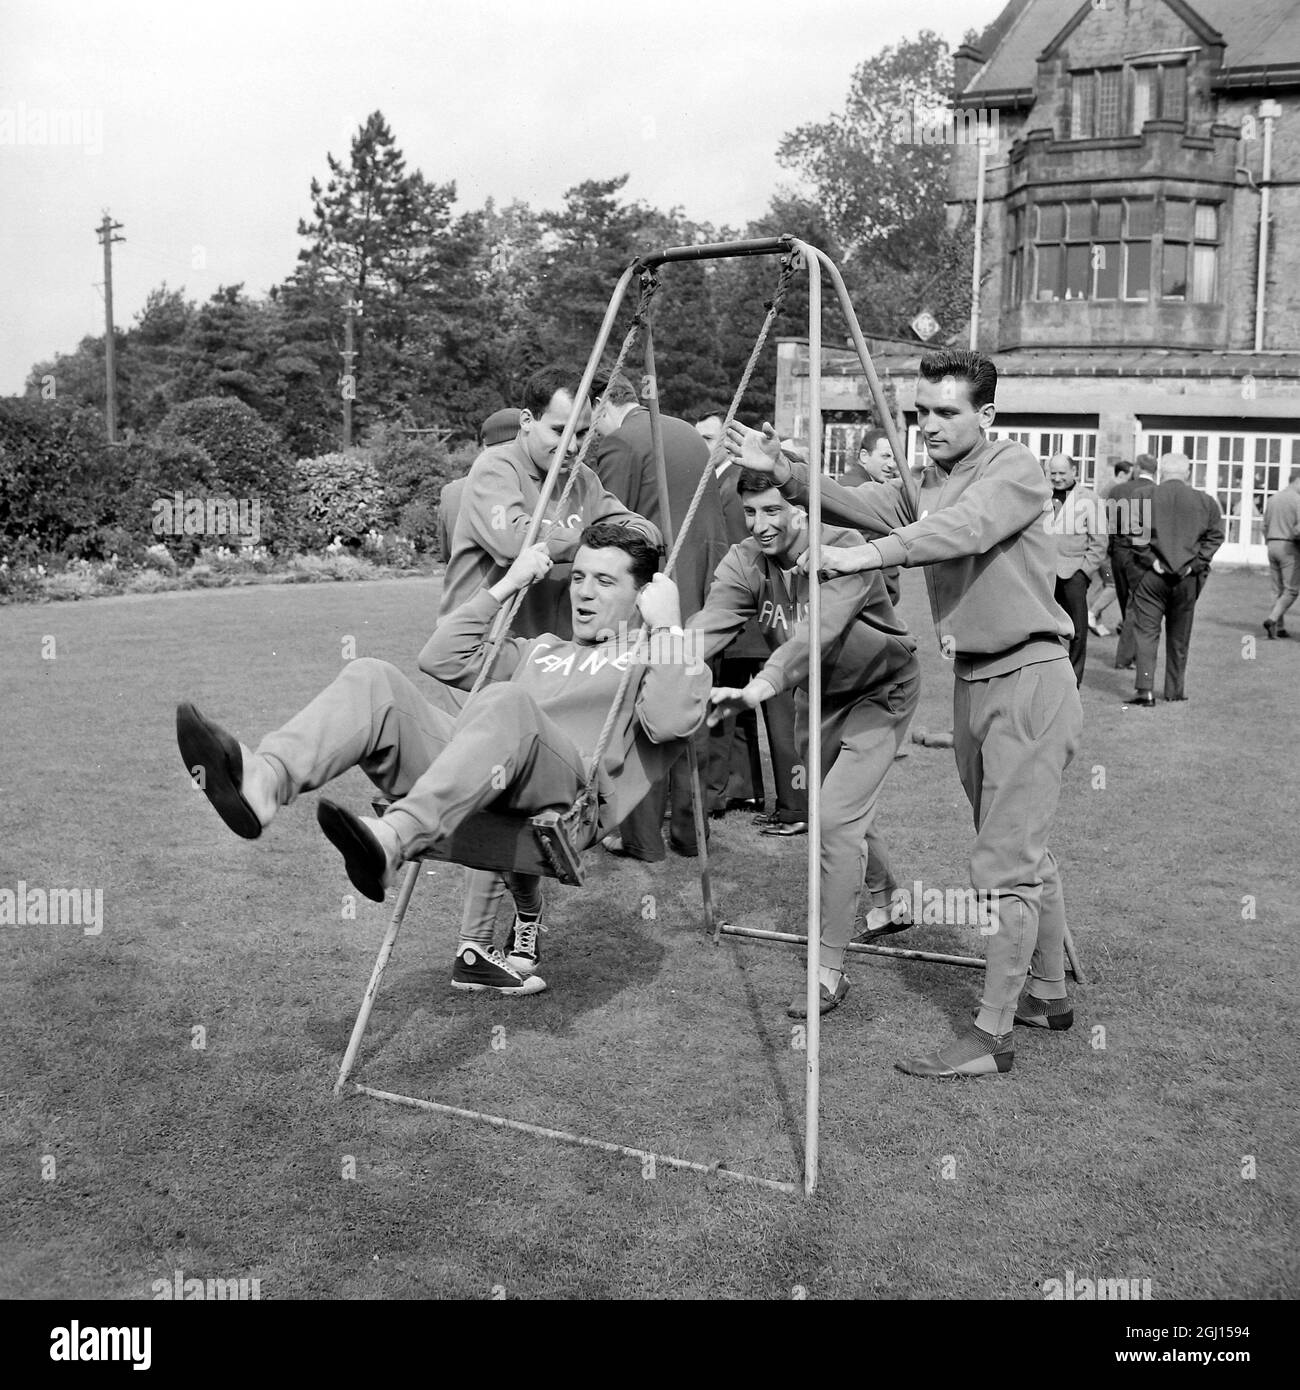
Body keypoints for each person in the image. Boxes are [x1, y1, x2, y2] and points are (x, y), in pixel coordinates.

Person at [727, 347, 1082, 1079]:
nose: (929, 424)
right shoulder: (933, 481)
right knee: (1012, 846)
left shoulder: (1013, 469)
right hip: (974, 681)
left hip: (1031, 678)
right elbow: (859, 504)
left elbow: (961, 532)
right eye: (922, 412)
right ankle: (1046, 993)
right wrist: (786, 468)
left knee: (1002, 862)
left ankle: (991, 1036)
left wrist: (864, 559)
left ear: (986, 414)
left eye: (946, 411)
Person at [177, 524, 708, 997]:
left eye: (606, 582)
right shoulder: (539, 649)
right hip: (484, 777)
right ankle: (265, 783)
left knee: (505, 701)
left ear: (642, 595)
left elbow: (670, 721)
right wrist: (505, 585)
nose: (585, 592)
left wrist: (667, 628)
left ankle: (394, 842)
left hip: (566, 801)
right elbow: (441, 655)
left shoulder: (653, 654)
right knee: (373, 677)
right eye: (579, 578)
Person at [686, 469, 920, 1016]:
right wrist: (659, 658)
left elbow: (818, 632)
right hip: (815, 697)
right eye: (750, 512)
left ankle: (829, 971)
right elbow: (711, 625)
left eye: (773, 510)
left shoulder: (842, 548)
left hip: (880, 691)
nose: (761, 525)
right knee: (835, 808)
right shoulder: (745, 562)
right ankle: (891, 900)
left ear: (799, 506)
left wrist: (764, 683)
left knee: (834, 822)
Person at [591, 374, 729, 860]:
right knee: (691, 699)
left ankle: (642, 838)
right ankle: (693, 833)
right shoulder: (687, 432)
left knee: (639, 702)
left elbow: (607, 533)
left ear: (600, 405)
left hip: (655, 590)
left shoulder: (621, 442)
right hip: (707, 587)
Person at [438, 365, 660, 639]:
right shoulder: (495, 467)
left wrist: (628, 539)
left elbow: (643, 528)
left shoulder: (582, 478)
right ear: (527, 420)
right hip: (486, 643)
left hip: (548, 649)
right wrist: (595, 543)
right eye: (560, 431)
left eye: (581, 434)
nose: (572, 448)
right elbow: (513, 539)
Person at [1125, 453, 1224, 706]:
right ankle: (1174, 690)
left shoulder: (1143, 496)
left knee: (1146, 633)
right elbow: (1216, 536)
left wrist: (1150, 559)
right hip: (1186, 578)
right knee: (1179, 636)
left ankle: (1145, 690)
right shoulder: (1206, 501)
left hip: (1152, 576)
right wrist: (1195, 564)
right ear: (1188, 473)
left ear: (1161, 472)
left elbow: (1133, 531)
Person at [1046, 453, 1107, 687]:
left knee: (1078, 631)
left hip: (1074, 574)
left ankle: (1073, 681)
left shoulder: (1089, 499)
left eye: (1062, 473)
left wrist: (1084, 572)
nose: (1057, 478)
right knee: (1044, 629)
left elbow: (1099, 541)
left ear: (1074, 473)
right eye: (1053, 473)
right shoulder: (1041, 496)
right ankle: (1051, 676)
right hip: (1045, 574)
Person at [437, 408, 521, 565]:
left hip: (469, 586)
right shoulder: (533, 486)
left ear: (484, 447)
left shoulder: (451, 492)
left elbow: (449, 555)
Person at [1109, 455, 1157, 670]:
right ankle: (1128, 656)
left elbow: (1109, 523)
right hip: (1142, 552)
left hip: (1119, 551)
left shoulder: (1119, 490)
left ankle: (1131, 654)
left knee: (1125, 602)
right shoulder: (1157, 492)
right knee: (1136, 605)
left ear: (1137, 468)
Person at [1262, 474, 1300, 639]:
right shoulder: (1297, 500)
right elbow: (1299, 530)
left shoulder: (1272, 499)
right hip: (1289, 546)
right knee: (1291, 589)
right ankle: (1272, 619)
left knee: (1277, 589)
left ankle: (1279, 628)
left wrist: (1269, 542)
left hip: (1272, 544)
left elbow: (1264, 525)